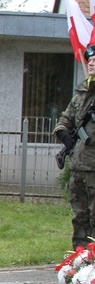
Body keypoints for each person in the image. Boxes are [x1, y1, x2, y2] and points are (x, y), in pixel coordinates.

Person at [56, 43, 95, 249]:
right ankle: (80, 259)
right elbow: (65, 119)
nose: (91, 64)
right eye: (89, 61)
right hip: (79, 166)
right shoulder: (81, 93)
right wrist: (63, 133)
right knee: (80, 216)